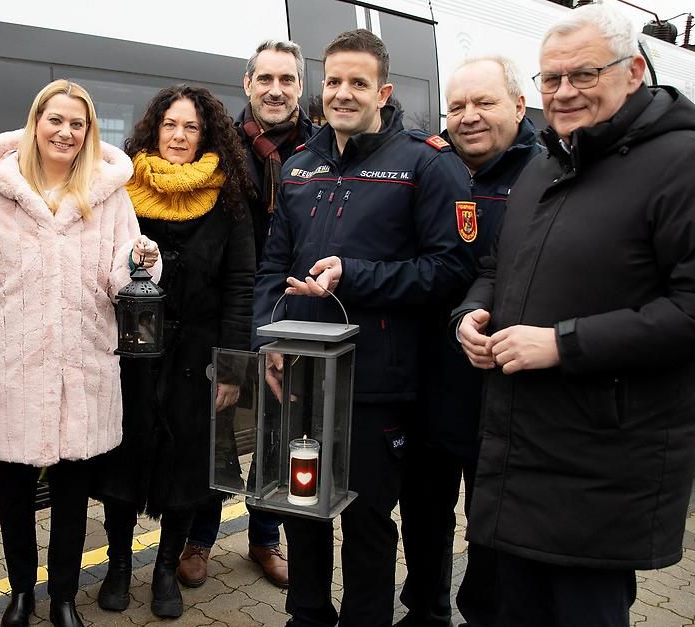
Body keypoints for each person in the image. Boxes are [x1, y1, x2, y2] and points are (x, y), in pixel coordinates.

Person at [454, 5, 695, 626]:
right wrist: (474, 314)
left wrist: (563, 344)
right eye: (550, 79)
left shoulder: (681, 164)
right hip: (519, 450)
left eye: (582, 75)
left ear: (634, 70)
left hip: (602, 462)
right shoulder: (548, 165)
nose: (562, 93)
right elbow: (497, 267)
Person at [255, 29, 473, 627]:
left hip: (378, 384)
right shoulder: (299, 168)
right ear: (320, 90)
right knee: (302, 512)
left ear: (384, 91)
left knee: (367, 519)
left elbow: (449, 269)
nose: (343, 94)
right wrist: (269, 339)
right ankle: (307, 617)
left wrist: (356, 276)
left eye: (358, 83)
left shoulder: (425, 164)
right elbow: (272, 266)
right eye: (333, 82)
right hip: (301, 379)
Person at [0, 79, 159, 627]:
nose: (65, 131)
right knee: (12, 491)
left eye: (77, 124)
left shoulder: (108, 195)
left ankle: (61, 597)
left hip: (81, 364)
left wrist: (141, 262)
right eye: (55, 120)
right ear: (36, 123)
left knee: (73, 495)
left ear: (88, 134)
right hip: (10, 365)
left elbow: (121, 281)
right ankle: (19, 594)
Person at [91, 84, 255, 619]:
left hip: (198, 357)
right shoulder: (120, 190)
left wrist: (231, 365)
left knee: (187, 468)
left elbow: (241, 285)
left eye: (191, 127)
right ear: (153, 130)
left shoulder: (228, 198)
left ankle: (165, 570)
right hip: (129, 356)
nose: (179, 136)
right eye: (170, 125)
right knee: (122, 460)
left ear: (205, 134)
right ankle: (118, 565)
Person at [396, 55, 541, 627]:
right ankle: (423, 611)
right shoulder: (432, 167)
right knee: (424, 513)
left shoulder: (545, 174)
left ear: (519, 106)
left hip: (505, 388)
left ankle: (482, 614)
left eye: (485, 103)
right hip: (430, 381)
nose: (469, 117)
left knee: (493, 522)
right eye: (457, 106)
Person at [180, 40, 316, 591]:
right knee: (215, 428)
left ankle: (265, 537)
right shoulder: (220, 145)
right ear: (248, 84)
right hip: (225, 312)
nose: (275, 90)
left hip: (293, 311)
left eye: (286, 80)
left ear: (301, 87)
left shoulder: (322, 148)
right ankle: (199, 537)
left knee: (279, 432)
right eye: (265, 79)